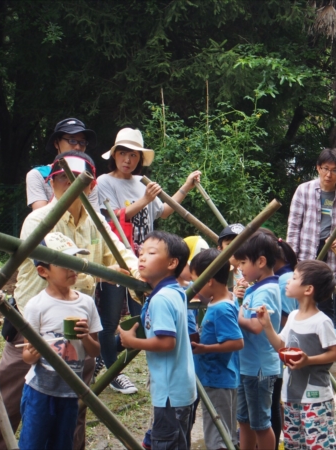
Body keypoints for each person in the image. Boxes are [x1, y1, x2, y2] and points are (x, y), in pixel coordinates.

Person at [0, 151, 139, 450]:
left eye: (75, 181)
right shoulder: (39, 221)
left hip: (76, 325)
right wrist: (101, 273)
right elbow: (54, 272)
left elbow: (123, 255)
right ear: (51, 183)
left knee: (75, 404)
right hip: (32, 324)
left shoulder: (95, 222)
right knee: (8, 403)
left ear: (90, 187)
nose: (67, 186)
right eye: (60, 180)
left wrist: (138, 279)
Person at [95, 127, 201, 394]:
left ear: (140, 158)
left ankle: (102, 357)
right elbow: (109, 219)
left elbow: (163, 212)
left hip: (147, 263)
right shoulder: (105, 183)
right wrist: (144, 200)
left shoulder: (142, 181)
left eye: (133, 155)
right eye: (123, 153)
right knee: (109, 318)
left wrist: (185, 187)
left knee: (139, 315)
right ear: (114, 155)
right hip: (119, 256)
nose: (128, 160)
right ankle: (113, 372)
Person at [18, 233, 103, 449]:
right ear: (42, 270)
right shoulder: (36, 305)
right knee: (33, 443)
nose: (71, 268)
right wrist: (34, 353)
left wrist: (84, 337)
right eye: (63, 263)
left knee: (63, 444)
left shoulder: (86, 303)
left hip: (70, 391)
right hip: (40, 390)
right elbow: (26, 356)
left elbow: (94, 351)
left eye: (73, 261)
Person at [118, 231, 197, 449]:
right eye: (141, 252)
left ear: (172, 262)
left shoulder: (161, 299)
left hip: (170, 393)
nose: (142, 257)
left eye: (151, 253)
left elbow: (166, 343)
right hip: (180, 388)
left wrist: (131, 341)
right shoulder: (175, 291)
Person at [257, 260, 336, 450]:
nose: (288, 281)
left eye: (294, 278)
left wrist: (308, 360)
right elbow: (281, 346)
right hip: (291, 395)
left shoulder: (321, 322)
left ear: (308, 289)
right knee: (294, 444)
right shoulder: (294, 316)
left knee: (317, 444)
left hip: (315, 397)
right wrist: (267, 325)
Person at [287, 148, 336, 338]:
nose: (329, 174)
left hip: (335, 255)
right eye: (325, 168)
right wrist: (292, 258)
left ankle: (327, 341)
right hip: (308, 252)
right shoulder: (304, 190)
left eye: (335, 170)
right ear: (318, 168)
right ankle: (304, 337)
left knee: (330, 300)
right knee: (306, 296)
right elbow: (294, 226)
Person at [190, 249, 244, 450]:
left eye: (196, 280)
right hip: (224, 376)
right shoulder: (225, 297)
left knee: (217, 436)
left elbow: (237, 342)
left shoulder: (221, 309)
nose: (193, 286)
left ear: (209, 280)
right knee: (226, 431)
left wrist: (204, 348)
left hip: (217, 379)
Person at [234, 231, 282, 450]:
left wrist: (236, 314)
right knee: (244, 419)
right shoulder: (256, 287)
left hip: (260, 369)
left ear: (261, 261)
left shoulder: (265, 291)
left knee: (261, 423)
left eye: (244, 262)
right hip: (248, 366)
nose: (241, 268)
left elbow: (255, 326)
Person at [257, 227, 299, 449]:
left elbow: (286, 319)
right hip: (281, 351)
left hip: (279, 351)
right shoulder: (286, 276)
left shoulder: (283, 281)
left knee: (272, 405)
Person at [26, 117, 100, 210]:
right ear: (56, 143)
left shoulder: (88, 178)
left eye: (82, 142)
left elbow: (94, 218)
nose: (77, 147)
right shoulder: (38, 175)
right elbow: (41, 218)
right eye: (72, 140)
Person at [217, 223, 246, 298]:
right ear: (220, 249)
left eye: (240, 244)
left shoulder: (248, 273)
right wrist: (233, 296)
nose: (235, 248)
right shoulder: (216, 275)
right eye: (229, 244)